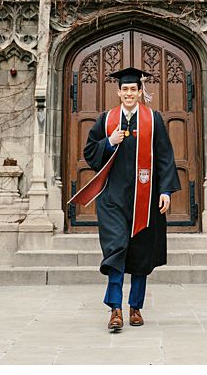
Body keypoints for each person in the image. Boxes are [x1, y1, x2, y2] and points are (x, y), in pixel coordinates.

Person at [71, 65, 180, 333]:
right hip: (113, 199)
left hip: (146, 198)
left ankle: (135, 307)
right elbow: (89, 152)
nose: (129, 93)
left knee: (142, 254)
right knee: (115, 251)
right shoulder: (106, 120)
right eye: (125, 90)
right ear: (118, 92)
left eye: (134, 89)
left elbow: (165, 157)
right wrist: (108, 141)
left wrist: (165, 191)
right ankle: (115, 309)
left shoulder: (153, 119)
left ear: (140, 92)